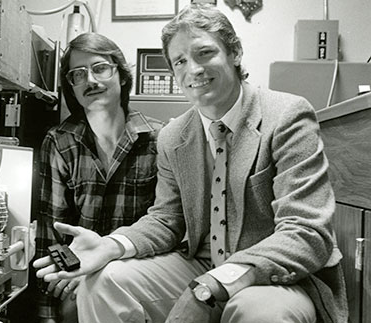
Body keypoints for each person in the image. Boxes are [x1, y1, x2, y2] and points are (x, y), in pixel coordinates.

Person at [34, 4, 348, 323]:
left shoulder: (286, 116)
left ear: (235, 52)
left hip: (274, 275)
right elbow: (166, 219)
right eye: (180, 61)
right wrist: (111, 246)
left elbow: (307, 232)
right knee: (105, 281)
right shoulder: (173, 135)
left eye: (204, 53)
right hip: (202, 265)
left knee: (257, 313)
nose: (193, 70)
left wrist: (213, 285)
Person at [35, 32, 164, 323]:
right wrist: (47, 318)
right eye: (78, 74)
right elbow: (50, 236)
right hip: (76, 276)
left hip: (138, 272)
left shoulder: (160, 139)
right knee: (73, 304)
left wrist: (101, 267)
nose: (90, 81)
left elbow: (168, 229)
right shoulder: (60, 142)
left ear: (121, 75)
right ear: (72, 88)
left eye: (100, 68)